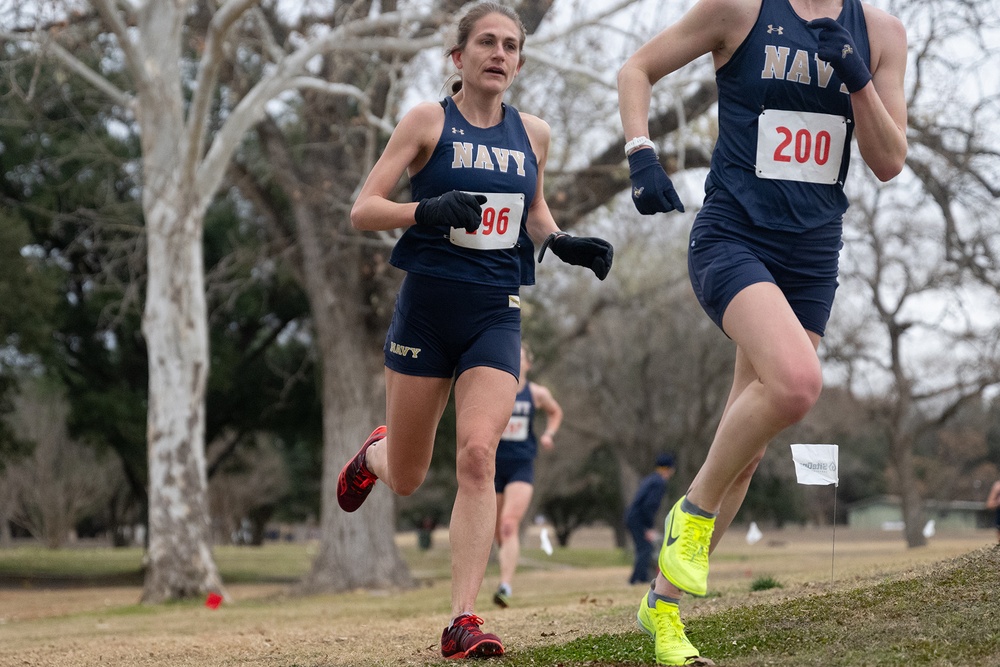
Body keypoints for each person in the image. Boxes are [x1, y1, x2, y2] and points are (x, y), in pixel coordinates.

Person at [617, 0, 907, 664]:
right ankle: (690, 514)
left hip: (811, 258)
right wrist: (641, 153)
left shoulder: (883, 33)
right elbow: (636, 69)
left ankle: (661, 612)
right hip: (733, 237)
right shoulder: (740, 8)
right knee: (798, 383)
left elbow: (890, 161)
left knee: (744, 452)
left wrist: (858, 76)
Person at [336, 2, 613, 660]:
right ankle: (373, 455)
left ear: (518, 61)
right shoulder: (428, 121)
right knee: (407, 473)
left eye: (510, 45)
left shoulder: (533, 134)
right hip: (426, 312)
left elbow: (533, 210)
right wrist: (424, 210)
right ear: (457, 57)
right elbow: (362, 210)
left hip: (495, 311)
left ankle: (462, 619)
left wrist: (562, 241)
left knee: (478, 458)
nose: (499, 53)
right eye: (485, 42)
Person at [491, 344, 563, 608]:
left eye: (520, 357)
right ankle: (504, 572)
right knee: (498, 530)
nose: (515, 360)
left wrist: (548, 434)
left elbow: (556, 412)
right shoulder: (495, 390)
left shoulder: (537, 393)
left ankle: (505, 585)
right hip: (493, 465)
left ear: (528, 364)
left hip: (522, 465)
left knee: (509, 524)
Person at [625, 453, 676, 586]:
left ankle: (638, 578)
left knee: (643, 548)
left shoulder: (651, 479)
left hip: (633, 517)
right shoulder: (659, 482)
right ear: (669, 469)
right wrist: (648, 527)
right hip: (639, 519)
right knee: (645, 549)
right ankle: (637, 580)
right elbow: (649, 505)